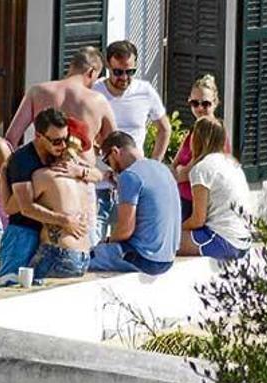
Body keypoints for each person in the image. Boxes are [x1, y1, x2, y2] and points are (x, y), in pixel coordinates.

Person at [0, 108, 88, 286]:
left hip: (46, 239)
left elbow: (98, 174)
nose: (62, 146)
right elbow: (21, 207)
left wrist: (81, 171)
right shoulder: (23, 161)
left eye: (65, 139)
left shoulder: (61, 157)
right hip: (22, 233)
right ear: (38, 136)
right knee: (11, 287)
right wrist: (64, 220)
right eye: (56, 141)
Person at [92, 40, 171, 239]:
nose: (124, 78)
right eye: (118, 72)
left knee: (132, 241)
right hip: (100, 183)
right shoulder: (94, 92)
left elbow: (164, 129)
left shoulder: (145, 91)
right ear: (108, 67)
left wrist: (154, 165)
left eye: (130, 72)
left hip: (135, 184)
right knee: (93, 242)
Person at [5, 46, 116, 168]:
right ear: (91, 72)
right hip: (80, 173)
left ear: (71, 67)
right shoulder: (98, 100)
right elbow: (114, 145)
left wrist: (14, 173)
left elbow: (11, 138)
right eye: (96, 78)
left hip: (42, 172)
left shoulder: (37, 91)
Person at [89, 131, 180, 275]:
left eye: (107, 161)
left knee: (83, 259)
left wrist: (106, 241)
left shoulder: (130, 176)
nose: (110, 168)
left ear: (115, 152)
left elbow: (125, 230)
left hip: (145, 260)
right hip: (168, 259)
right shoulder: (162, 169)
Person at [178, 117, 252, 260]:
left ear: (197, 139)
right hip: (244, 240)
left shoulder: (201, 169)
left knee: (162, 241)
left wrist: (177, 228)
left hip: (223, 240)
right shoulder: (233, 164)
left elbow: (198, 219)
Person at [171, 74, 232, 220]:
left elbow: (190, 172)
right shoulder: (194, 130)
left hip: (200, 207)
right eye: (194, 103)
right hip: (183, 201)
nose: (199, 108)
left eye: (205, 104)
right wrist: (179, 171)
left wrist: (180, 172)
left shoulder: (214, 134)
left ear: (215, 103)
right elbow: (175, 165)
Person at [27, 163, 92, 279]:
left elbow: (19, 207)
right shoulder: (83, 181)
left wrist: (4, 171)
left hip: (58, 253)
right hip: (83, 255)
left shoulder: (43, 175)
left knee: (28, 291)